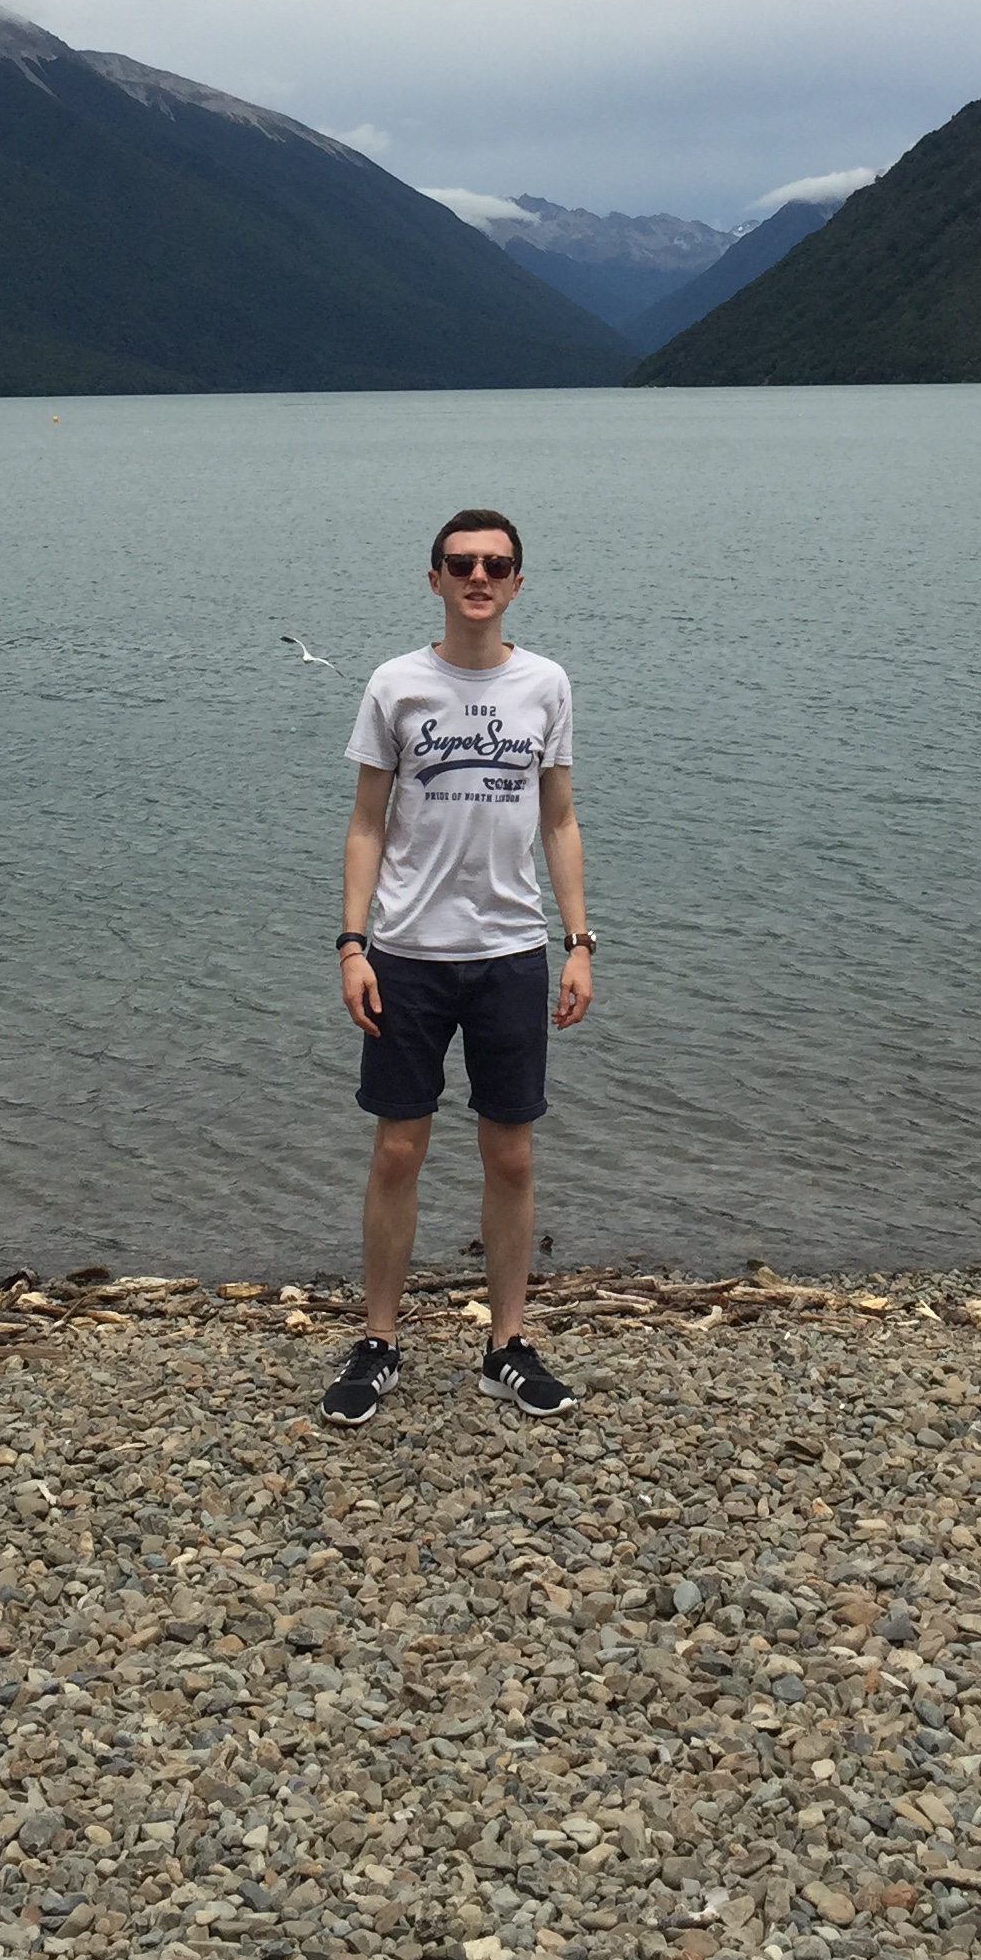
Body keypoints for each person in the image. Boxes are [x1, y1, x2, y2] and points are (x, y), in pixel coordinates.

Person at [320, 507, 594, 1429]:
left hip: (511, 953)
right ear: (434, 577)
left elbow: (560, 818)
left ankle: (506, 1347)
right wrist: (352, 944)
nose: (479, 577)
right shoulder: (396, 684)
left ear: (517, 581)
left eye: (497, 564)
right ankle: (378, 1343)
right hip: (406, 955)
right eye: (462, 562)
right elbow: (366, 823)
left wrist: (579, 943)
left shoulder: (545, 684)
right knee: (398, 1149)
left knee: (510, 1156)